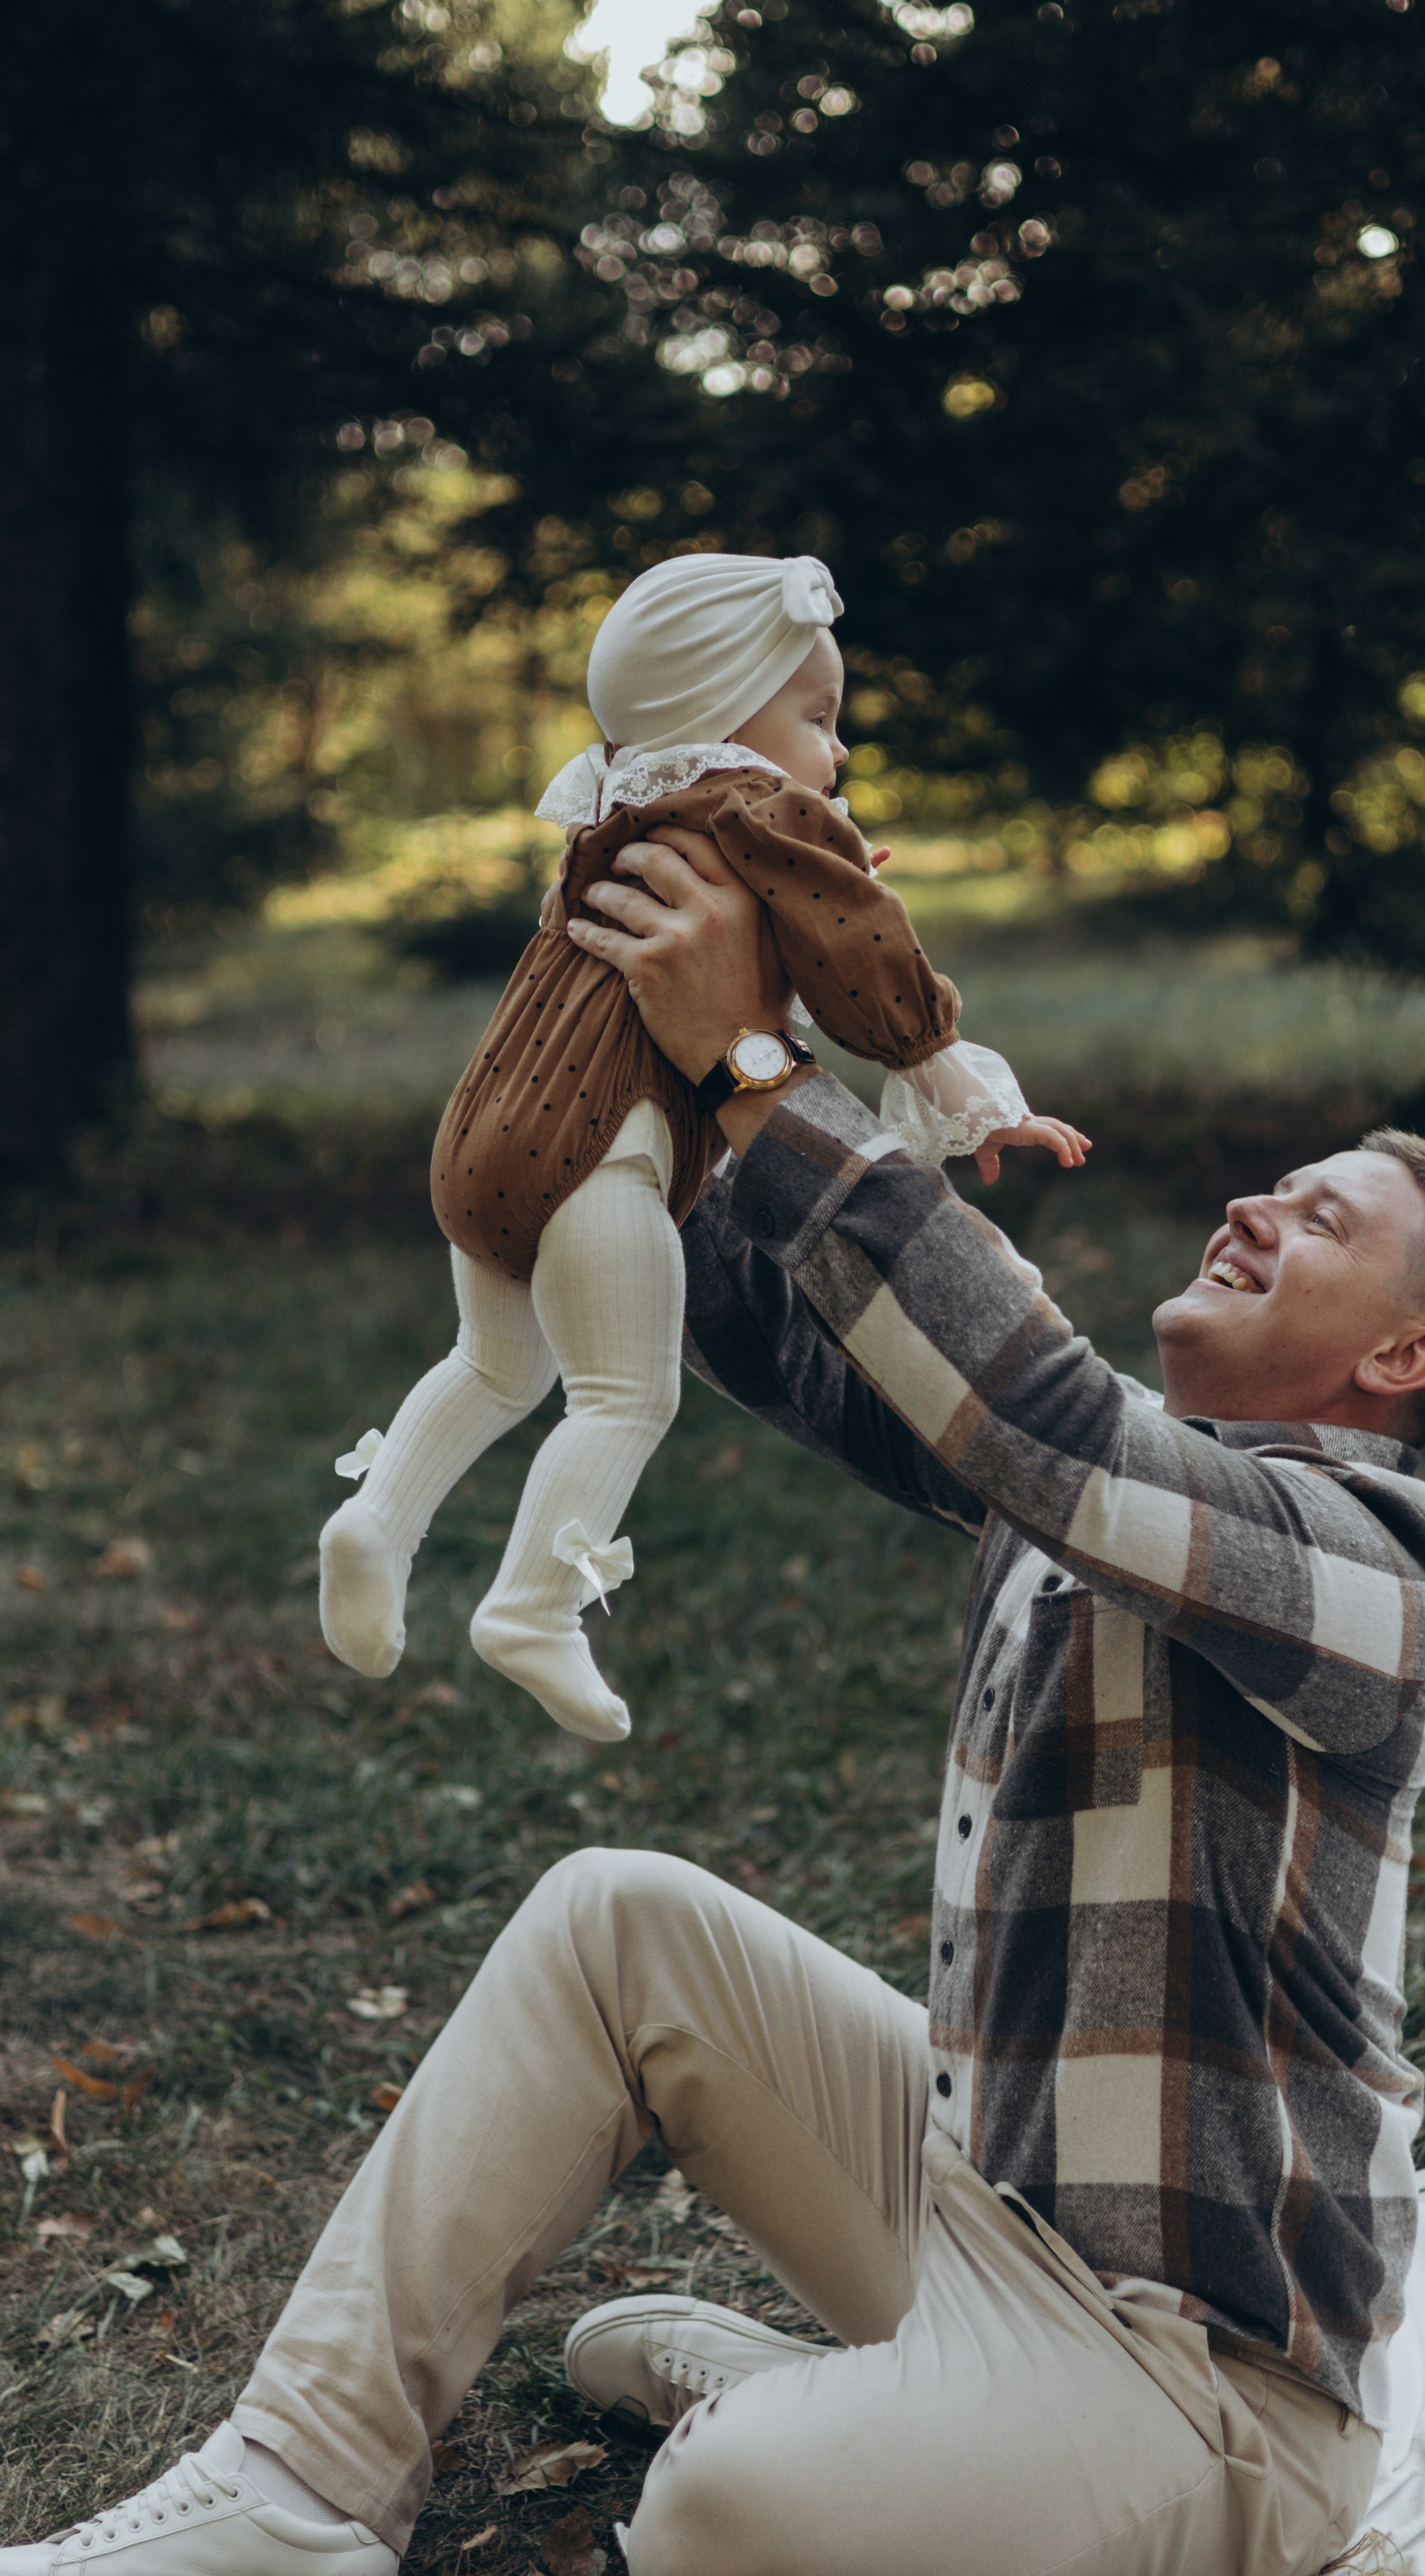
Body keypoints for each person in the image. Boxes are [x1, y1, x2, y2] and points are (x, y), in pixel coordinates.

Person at [0, 830, 1425, 2576]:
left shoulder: (1366, 1567)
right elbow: (792, 1332)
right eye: (1272, 1185)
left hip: (1206, 2386)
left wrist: (761, 1076)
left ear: (1404, 1356)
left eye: (1321, 1219)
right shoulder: (1093, 1501)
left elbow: (1038, 1418)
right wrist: (624, 1073)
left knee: (716, 2524)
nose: (1256, 1210)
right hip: (991, 2209)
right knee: (611, 1920)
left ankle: (859, 2411)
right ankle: (300, 2483)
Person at [315, 549, 1081, 1744]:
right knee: (622, 1391)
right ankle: (531, 1607)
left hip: (481, 1136)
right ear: (726, 712)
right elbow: (862, 948)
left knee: (494, 1364)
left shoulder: (613, 803)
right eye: (818, 718)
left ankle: (375, 1523)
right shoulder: (759, 808)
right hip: (598, 1157)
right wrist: (946, 1070)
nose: (837, 752)